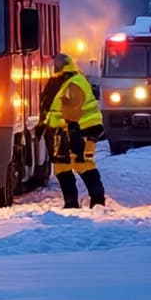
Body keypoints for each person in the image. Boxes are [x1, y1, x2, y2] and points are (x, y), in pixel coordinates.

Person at [40, 52, 106, 209]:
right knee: (62, 168)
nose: (53, 68)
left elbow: (72, 110)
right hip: (65, 133)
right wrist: (43, 125)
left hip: (81, 132)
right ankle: (70, 203)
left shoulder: (74, 84)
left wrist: (74, 134)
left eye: (56, 65)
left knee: (84, 165)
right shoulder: (63, 83)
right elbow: (54, 109)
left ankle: (98, 202)